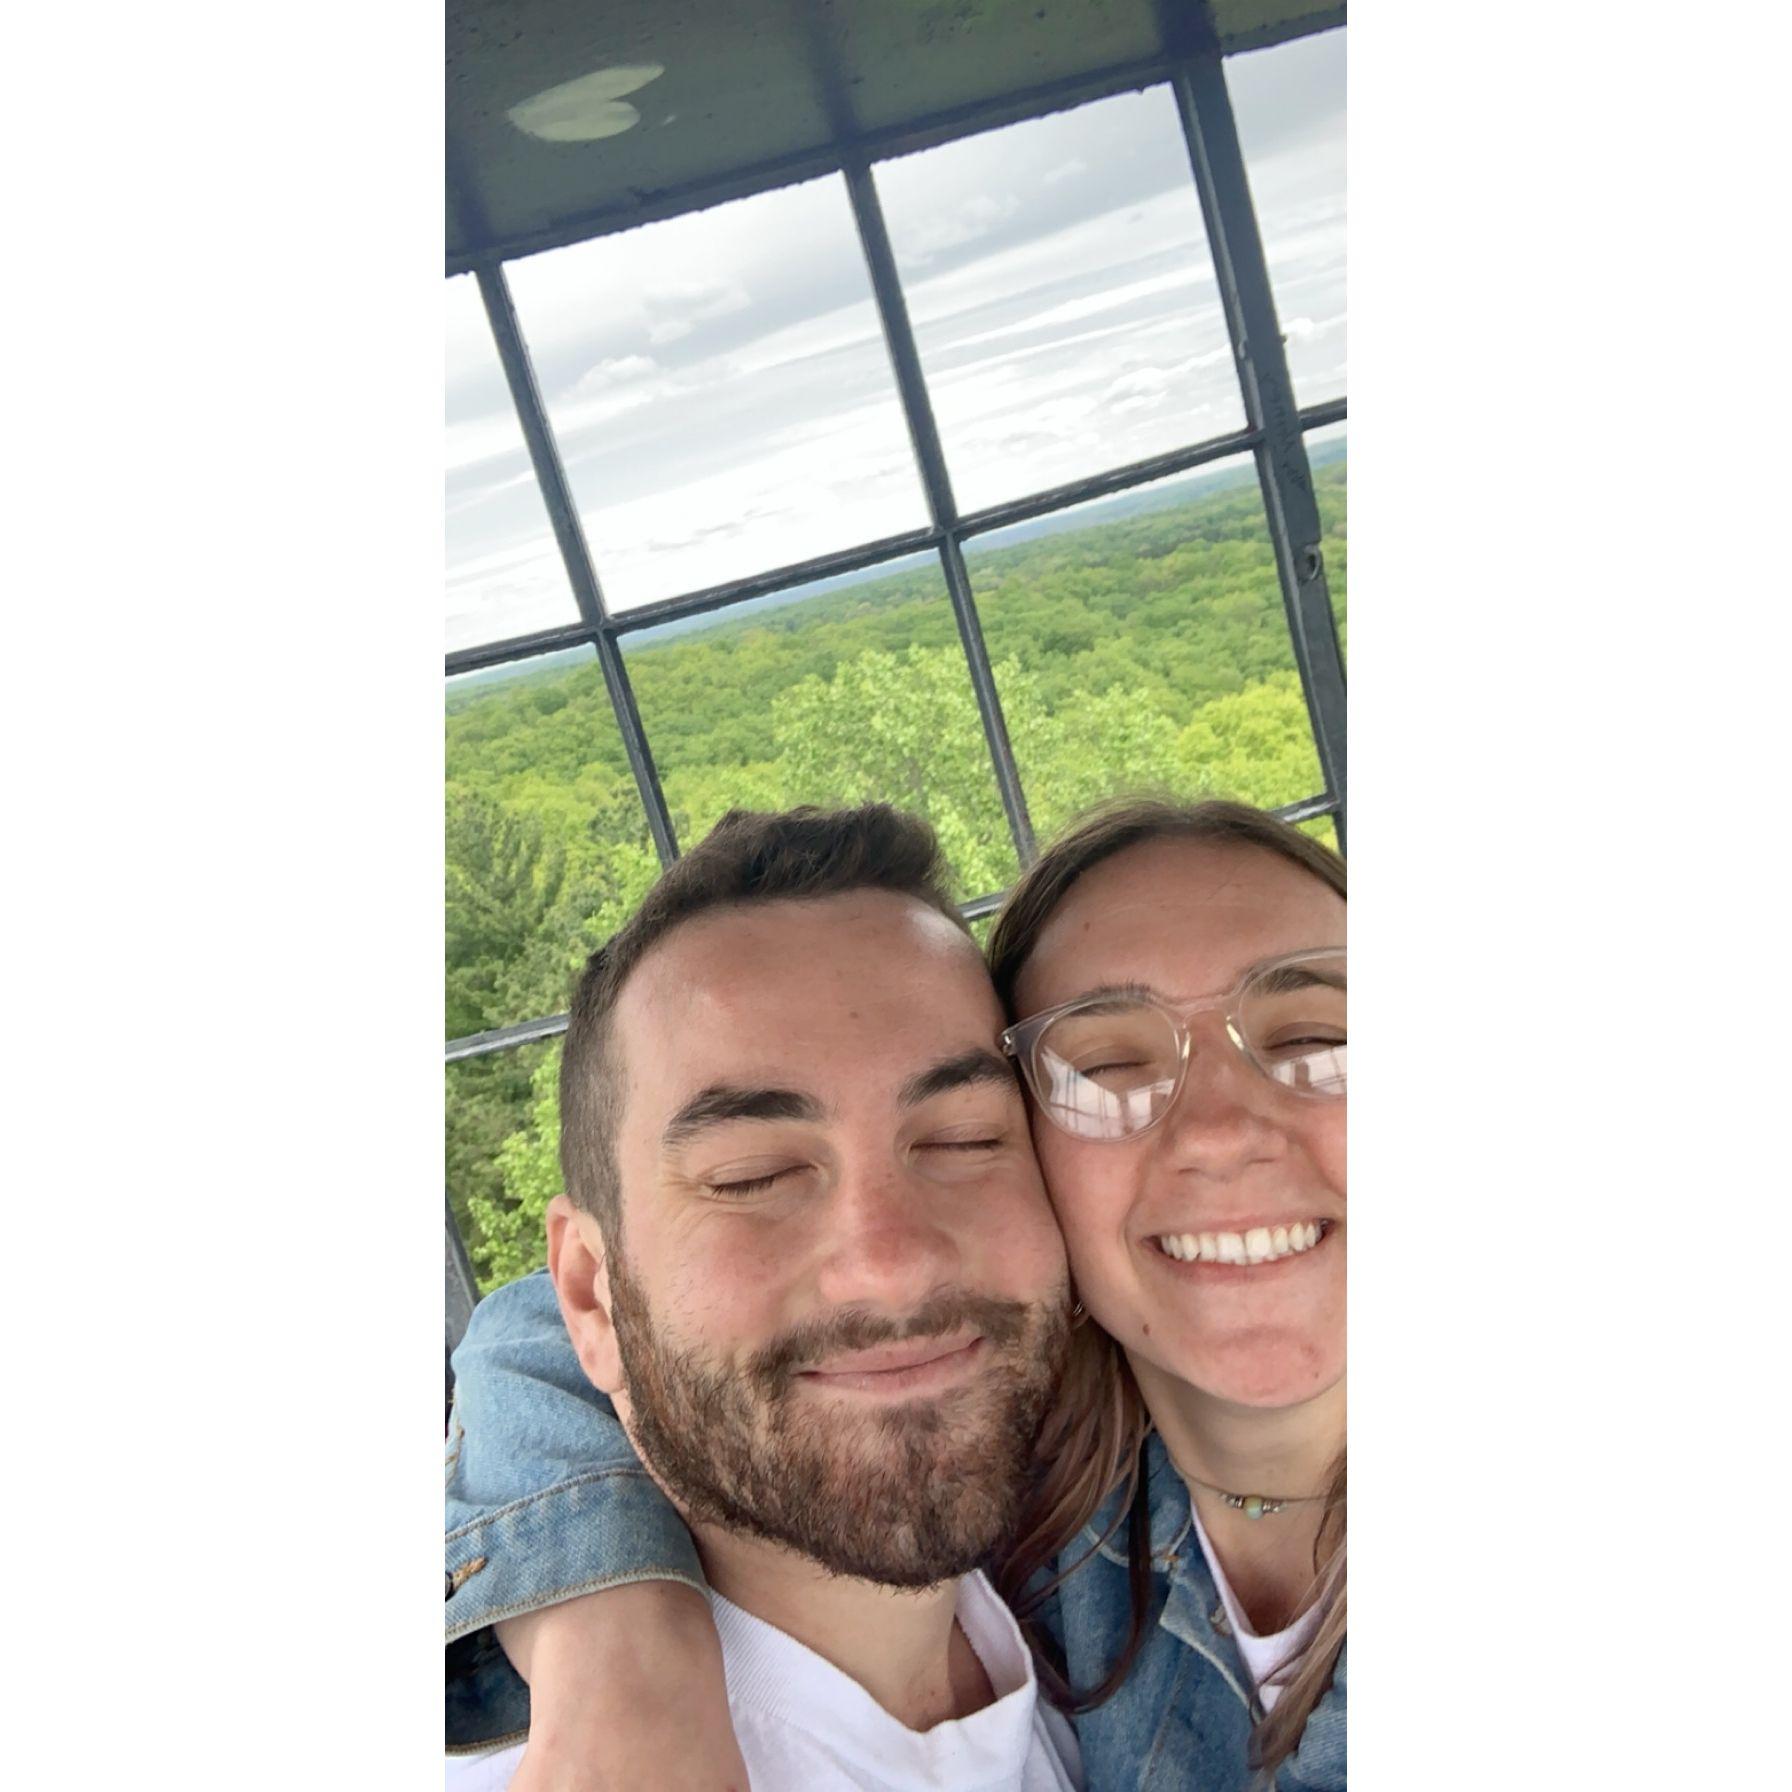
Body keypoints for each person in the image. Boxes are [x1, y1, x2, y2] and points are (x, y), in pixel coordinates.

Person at [447, 797, 1347, 1791]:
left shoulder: (1010, 1497)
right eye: (753, 1178)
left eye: (961, 1141)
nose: (891, 1264)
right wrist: (621, 1653)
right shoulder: (1056, 1504)